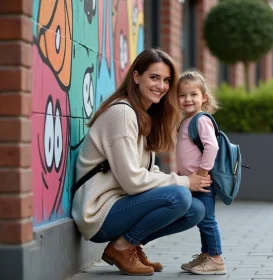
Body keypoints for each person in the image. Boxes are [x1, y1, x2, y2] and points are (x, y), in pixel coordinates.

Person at [71, 49, 212, 276]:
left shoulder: (142, 115)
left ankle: (131, 245)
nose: (161, 86)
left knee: (195, 209)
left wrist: (180, 180)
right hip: (97, 212)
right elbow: (133, 181)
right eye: (154, 78)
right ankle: (121, 247)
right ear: (136, 77)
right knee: (180, 196)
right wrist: (184, 181)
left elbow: (147, 170)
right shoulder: (122, 113)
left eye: (166, 80)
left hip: (121, 203)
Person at [175, 70, 227, 275]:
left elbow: (211, 147)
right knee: (202, 220)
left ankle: (216, 258)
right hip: (193, 180)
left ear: (204, 97)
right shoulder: (186, 120)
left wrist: (202, 173)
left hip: (202, 181)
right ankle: (206, 254)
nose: (187, 99)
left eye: (193, 94)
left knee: (207, 220)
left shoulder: (200, 119)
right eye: (182, 95)